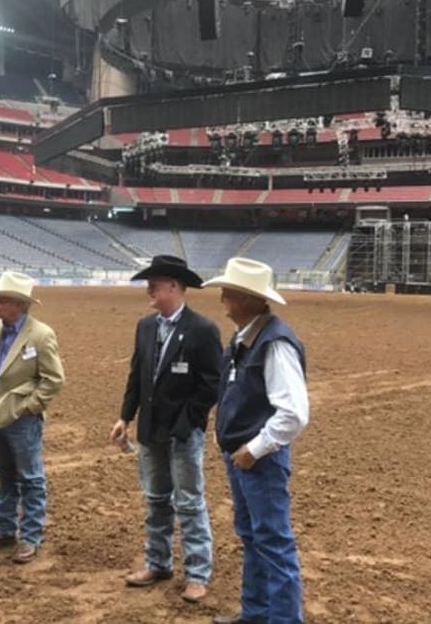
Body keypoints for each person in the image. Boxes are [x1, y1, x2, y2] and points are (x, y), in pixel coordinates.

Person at [109, 255, 222, 604]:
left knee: (189, 502)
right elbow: (136, 376)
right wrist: (125, 417)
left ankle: (198, 574)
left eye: (154, 285)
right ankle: (158, 562)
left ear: (174, 286)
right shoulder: (145, 327)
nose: (149, 291)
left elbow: (211, 384)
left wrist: (187, 421)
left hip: (184, 433)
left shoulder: (203, 330)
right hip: (150, 430)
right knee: (156, 499)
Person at [204, 258, 309, 624]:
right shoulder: (246, 339)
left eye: (229, 293)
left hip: (258, 460)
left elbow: (294, 413)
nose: (223, 299)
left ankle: (281, 618)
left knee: (273, 542)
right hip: (243, 457)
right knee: (254, 536)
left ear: (248, 299)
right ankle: (256, 612)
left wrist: (254, 448)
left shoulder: (274, 344)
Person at [0, 271, 64, 564]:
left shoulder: (40, 335)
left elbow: (53, 380)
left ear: (21, 305)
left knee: (31, 477)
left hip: (23, 419)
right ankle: (4, 529)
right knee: (5, 475)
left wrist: (28, 406)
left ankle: (31, 536)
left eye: (3, 301)